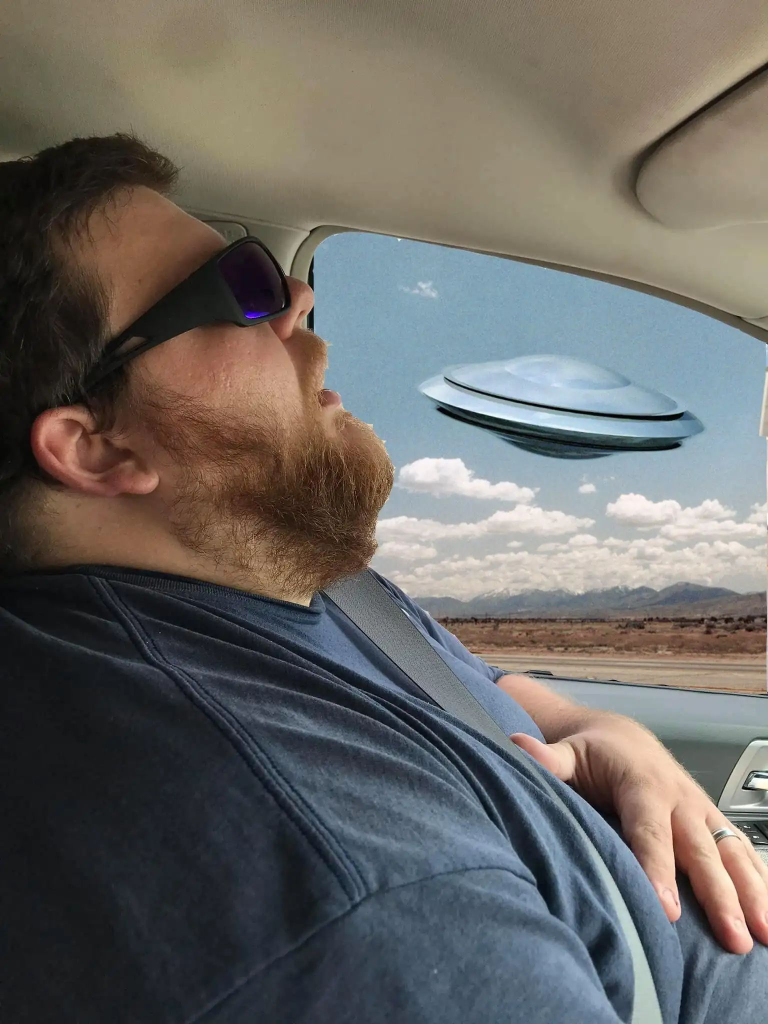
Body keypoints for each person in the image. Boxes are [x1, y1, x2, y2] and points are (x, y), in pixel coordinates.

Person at [0, 133, 766, 1024]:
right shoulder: (350, 898)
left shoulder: (300, 589)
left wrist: (601, 727)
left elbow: (470, 684)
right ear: (96, 448)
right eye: (233, 289)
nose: (297, 299)